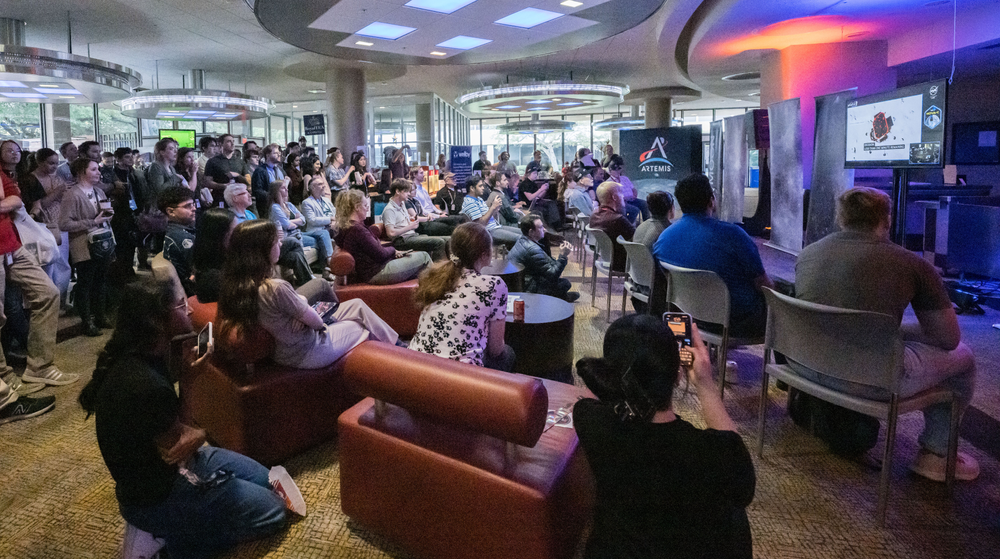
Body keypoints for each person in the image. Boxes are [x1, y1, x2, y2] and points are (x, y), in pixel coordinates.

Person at [78, 277, 291, 558]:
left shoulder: (149, 355)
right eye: (180, 305)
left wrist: (189, 380)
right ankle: (171, 543)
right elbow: (178, 449)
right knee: (274, 512)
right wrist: (200, 435)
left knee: (270, 481)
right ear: (156, 322)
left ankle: (186, 524)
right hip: (158, 496)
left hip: (177, 466)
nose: (188, 310)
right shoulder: (144, 384)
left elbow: (178, 434)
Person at [794, 187, 980, 482]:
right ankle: (936, 454)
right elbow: (948, 338)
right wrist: (906, 332)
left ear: (841, 218)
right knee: (964, 358)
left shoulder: (808, 254)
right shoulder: (912, 263)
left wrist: (894, 331)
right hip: (871, 380)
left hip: (803, 365)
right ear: (887, 220)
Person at [574, 314, 755, 559]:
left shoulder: (591, 421)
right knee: (737, 518)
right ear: (677, 376)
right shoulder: (713, 454)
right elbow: (743, 486)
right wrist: (705, 383)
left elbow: (595, 396)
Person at [217, 220, 399, 369]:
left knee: (357, 304)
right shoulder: (275, 288)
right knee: (363, 327)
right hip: (309, 351)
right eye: (276, 242)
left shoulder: (236, 284)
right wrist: (305, 314)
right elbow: (317, 323)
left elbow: (292, 311)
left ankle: (398, 346)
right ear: (262, 251)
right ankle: (396, 361)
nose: (280, 244)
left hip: (285, 350)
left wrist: (301, 310)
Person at [653, 173, 772, 338]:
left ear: (679, 203)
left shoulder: (664, 239)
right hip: (735, 321)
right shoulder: (733, 235)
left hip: (685, 315)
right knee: (786, 309)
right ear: (711, 201)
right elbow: (763, 284)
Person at [0, 140, 75, 389]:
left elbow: (16, 199)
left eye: (17, 150)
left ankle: (40, 367)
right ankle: (5, 378)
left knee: (48, 293)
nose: (15, 154)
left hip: (12, 245)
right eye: (9, 150)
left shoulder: (4, 174)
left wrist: (6, 201)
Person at [410, 222, 515, 371]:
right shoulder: (494, 285)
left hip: (414, 365)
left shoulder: (433, 276)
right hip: (458, 377)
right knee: (508, 353)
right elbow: (496, 349)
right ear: (485, 254)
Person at [60, 157, 115, 336]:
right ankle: (87, 321)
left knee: (101, 281)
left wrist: (107, 215)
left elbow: (105, 217)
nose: (98, 172)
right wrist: (93, 221)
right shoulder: (72, 194)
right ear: (82, 172)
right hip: (84, 245)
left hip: (102, 243)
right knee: (86, 283)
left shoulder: (98, 191)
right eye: (93, 169)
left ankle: (100, 316)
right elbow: (64, 224)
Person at [334, 189, 431, 285]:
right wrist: (393, 250)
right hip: (377, 272)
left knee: (416, 262)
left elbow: (373, 251)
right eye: (365, 205)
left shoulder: (346, 227)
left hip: (371, 271)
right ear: (356, 207)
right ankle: (439, 294)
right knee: (424, 256)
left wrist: (392, 253)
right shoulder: (357, 230)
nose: (368, 208)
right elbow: (381, 255)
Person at [225, 183, 313, 287]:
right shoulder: (231, 218)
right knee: (292, 241)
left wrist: (275, 239)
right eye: (245, 192)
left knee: (295, 256)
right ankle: (310, 280)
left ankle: (307, 282)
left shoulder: (249, 213)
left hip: (264, 248)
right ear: (235, 198)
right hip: (253, 252)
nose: (250, 195)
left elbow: (261, 233)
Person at [508, 213, 579, 302]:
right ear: (531, 232)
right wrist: (563, 256)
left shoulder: (523, 239)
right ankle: (561, 298)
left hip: (521, 282)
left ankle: (561, 296)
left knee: (562, 283)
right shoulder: (532, 249)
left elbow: (547, 263)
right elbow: (553, 275)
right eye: (541, 227)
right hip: (527, 289)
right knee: (565, 284)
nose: (544, 229)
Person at [270, 179, 332, 278]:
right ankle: (326, 266)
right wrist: (295, 221)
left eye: (286, 187)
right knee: (321, 240)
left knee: (323, 235)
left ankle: (326, 266)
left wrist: (293, 222)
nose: (286, 189)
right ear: (276, 191)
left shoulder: (289, 205)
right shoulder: (275, 207)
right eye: (283, 188)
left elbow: (303, 220)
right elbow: (287, 225)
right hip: (288, 236)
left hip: (298, 233)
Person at [381, 178, 449, 261]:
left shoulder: (401, 204)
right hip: (403, 240)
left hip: (412, 236)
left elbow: (401, 220)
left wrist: (410, 218)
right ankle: (439, 271)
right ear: (398, 191)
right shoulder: (389, 209)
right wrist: (410, 227)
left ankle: (448, 268)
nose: (408, 193)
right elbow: (391, 233)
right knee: (439, 242)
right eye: (406, 191)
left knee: (447, 240)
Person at [459, 176, 521, 249]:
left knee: (523, 233)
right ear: (472, 188)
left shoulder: (478, 199)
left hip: (495, 227)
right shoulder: (470, 203)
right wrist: (493, 207)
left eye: (483, 185)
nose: (483, 188)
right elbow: (480, 224)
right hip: (487, 232)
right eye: (480, 186)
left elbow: (488, 217)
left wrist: (495, 210)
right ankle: (516, 259)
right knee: (520, 238)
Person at [191, 208, 236, 304]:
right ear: (220, 236)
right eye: (235, 231)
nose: (240, 234)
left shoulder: (226, 259)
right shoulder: (213, 279)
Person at [589, 181, 635, 272]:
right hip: (622, 264)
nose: (623, 197)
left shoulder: (594, 215)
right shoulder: (618, 220)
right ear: (614, 197)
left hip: (605, 259)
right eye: (621, 193)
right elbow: (637, 240)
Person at [160, 187, 198, 296]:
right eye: (187, 206)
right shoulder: (181, 237)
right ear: (171, 211)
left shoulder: (177, 231)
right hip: (190, 293)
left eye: (193, 204)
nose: (194, 208)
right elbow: (200, 267)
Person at [607, 154, 649, 223]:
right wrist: (624, 198)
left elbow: (633, 189)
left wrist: (634, 195)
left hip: (632, 199)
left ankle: (646, 224)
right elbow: (613, 196)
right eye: (615, 170)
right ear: (610, 171)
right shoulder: (609, 182)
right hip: (622, 202)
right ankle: (628, 225)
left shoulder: (624, 178)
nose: (617, 172)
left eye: (618, 170)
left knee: (644, 204)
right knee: (635, 210)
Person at [251, 143, 286, 212]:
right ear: (268, 155)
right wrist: (273, 196)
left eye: (279, 153)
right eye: (275, 153)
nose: (279, 155)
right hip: (267, 207)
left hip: (282, 204)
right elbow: (257, 191)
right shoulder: (260, 171)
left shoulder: (280, 169)